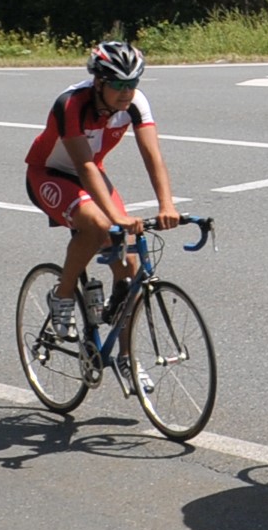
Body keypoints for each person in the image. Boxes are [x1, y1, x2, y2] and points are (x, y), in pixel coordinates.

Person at [25, 41, 182, 358]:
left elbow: (153, 156)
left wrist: (166, 204)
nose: (127, 92)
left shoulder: (136, 103)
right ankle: (62, 295)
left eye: (133, 83)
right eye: (118, 85)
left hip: (92, 173)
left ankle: (125, 359)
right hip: (50, 173)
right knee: (99, 225)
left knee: (130, 264)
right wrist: (116, 217)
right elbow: (83, 165)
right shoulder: (71, 103)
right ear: (98, 82)